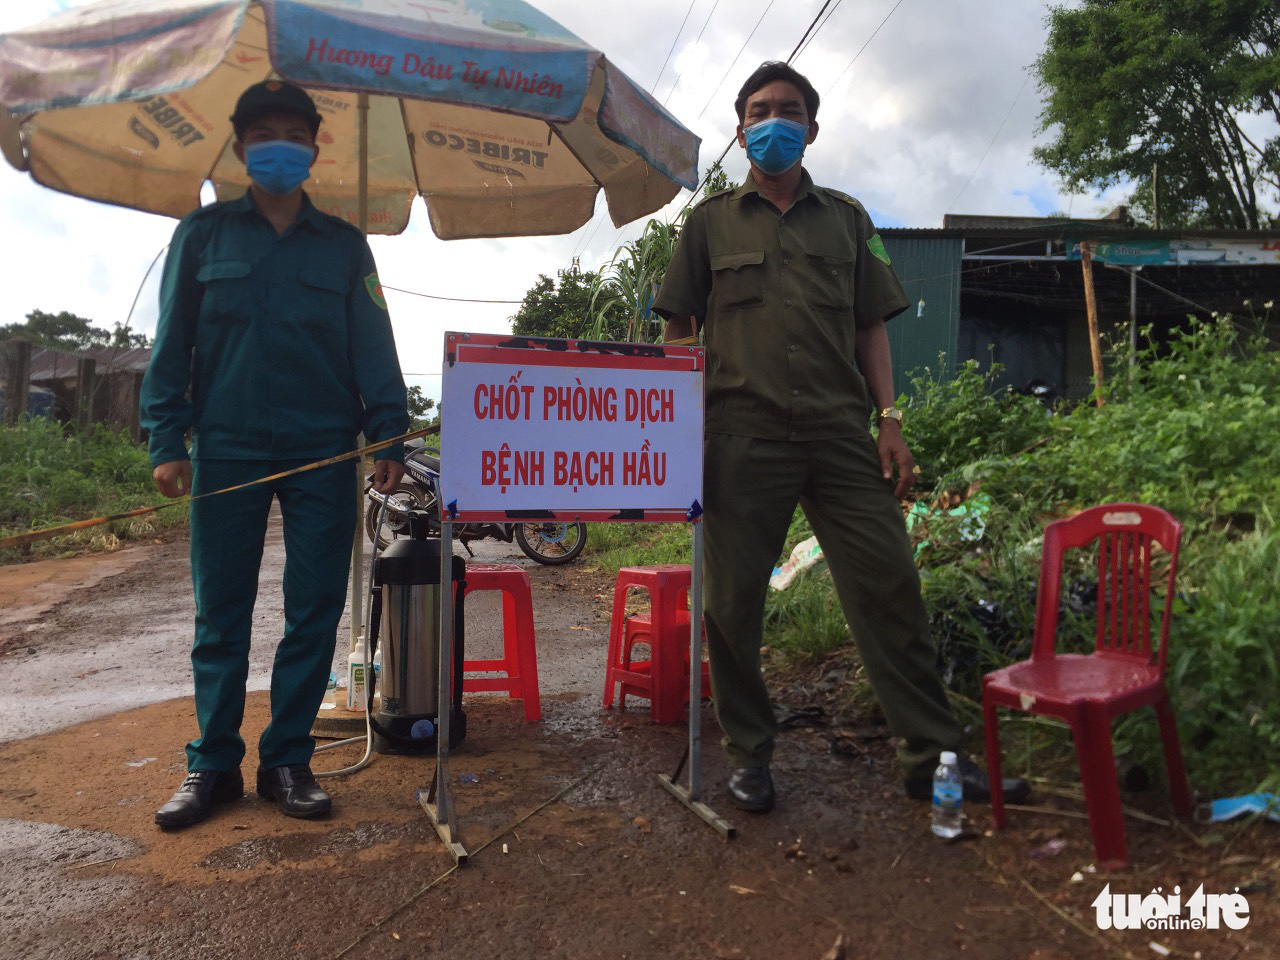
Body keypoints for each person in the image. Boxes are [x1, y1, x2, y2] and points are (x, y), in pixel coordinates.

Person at [653, 62, 1030, 813]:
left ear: (812, 127)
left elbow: (869, 329)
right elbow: (678, 327)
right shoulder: (708, 223)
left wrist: (890, 421)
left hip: (838, 434)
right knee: (732, 605)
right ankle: (751, 755)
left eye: (788, 109)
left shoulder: (849, 219)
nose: (773, 121)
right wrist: (677, 429)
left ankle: (933, 759)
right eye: (759, 110)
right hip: (739, 437)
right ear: (739, 129)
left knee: (890, 584)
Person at [141, 80, 409, 829]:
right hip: (225, 447)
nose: (280, 146)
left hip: (324, 447)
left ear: (316, 148)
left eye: (295, 133)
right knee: (219, 613)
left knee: (314, 607)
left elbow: (372, 344)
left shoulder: (345, 245)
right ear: (240, 147)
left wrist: (387, 432)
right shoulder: (201, 236)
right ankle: (213, 766)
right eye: (265, 134)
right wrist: (167, 439)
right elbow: (172, 348)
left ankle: (288, 758)